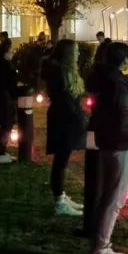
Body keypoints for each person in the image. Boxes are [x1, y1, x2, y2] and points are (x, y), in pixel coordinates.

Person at [85, 41, 128, 254]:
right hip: (119, 142)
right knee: (115, 197)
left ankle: (100, 244)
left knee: (108, 195)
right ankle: (101, 250)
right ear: (124, 60)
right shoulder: (117, 83)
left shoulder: (104, 78)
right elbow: (122, 118)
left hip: (108, 140)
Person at [42, 40, 89, 216]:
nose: (78, 54)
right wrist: (79, 117)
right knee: (60, 162)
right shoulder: (59, 72)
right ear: (68, 53)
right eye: (75, 51)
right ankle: (59, 202)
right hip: (63, 119)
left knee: (62, 160)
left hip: (66, 117)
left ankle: (61, 195)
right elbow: (65, 99)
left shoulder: (62, 71)